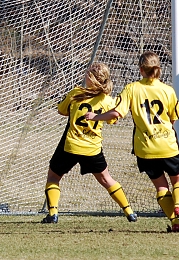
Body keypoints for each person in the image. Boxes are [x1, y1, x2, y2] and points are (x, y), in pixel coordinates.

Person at [85, 52, 179, 233]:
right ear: (158, 68)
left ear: (141, 69)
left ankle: (175, 222)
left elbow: (117, 113)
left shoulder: (132, 88)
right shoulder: (168, 91)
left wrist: (96, 116)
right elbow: (174, 118)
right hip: (168, 145)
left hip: (145, 148)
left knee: (161, 187)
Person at [42, 63, 137, 224]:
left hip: (71, 145)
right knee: (106, 179)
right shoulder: (107, 100)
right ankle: (129, 212)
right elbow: (113, 120)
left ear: (91, 78)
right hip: (92, 149)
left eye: (87, 74)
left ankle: (53, 214)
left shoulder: (76, 93)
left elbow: (61, 110)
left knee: (53, 177)